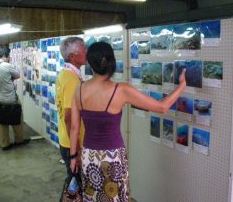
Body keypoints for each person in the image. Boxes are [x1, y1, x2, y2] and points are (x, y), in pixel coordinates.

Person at [69, 42, 187, 201]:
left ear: (89, 63)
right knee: (115, 196)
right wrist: (182, 86)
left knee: (92, 197)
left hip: (88, 156)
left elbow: (75, 128)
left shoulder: (79, 89)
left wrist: (72, 157)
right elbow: (161, 107)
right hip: (113, 158)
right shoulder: (121, 90)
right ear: (111, 62)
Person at [55, 37, 87, 198]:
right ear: (73, 56)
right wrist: (75, 151)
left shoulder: (65, 75)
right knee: (75, 185)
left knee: (75, 181)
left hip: (66, 140)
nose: (87, 53)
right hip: (72, 143)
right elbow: (68, 117)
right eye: (83, 50)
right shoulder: (72, 80)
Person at [0, 46, 30, 151]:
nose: (9, 58)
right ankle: (18, 140)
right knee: (18, 118)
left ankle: (5, 144)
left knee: (2, 122)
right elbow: (17, 75)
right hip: (10, 98)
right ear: (4, 56)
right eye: (8, 56)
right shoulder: (6, 65)